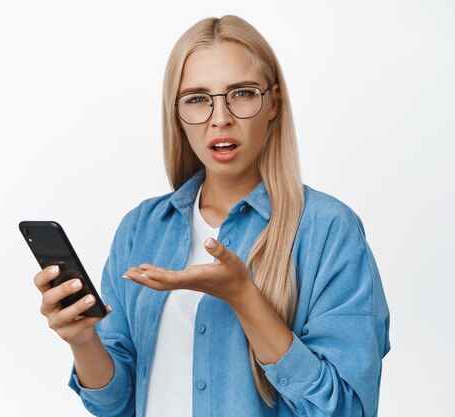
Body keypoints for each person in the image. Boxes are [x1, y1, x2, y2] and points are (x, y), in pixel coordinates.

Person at [33, 14, 391, 417]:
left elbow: (346, 410)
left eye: (241, 93)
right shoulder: (141, 228)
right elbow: (114, 404)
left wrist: (244, 298)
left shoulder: (328, 231)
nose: (220, 118)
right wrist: (82, 341)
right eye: (198, 98)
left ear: (273, 102)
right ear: (177, 113)